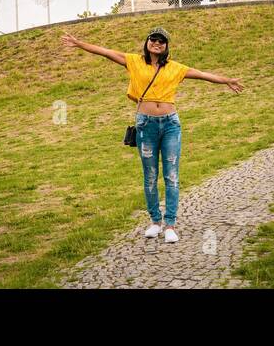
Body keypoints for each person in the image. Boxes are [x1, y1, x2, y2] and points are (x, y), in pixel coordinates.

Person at [62, 25, 243, 243]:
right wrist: (80, 44)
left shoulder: (176, 68)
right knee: (150, 175)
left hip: (170, 125)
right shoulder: (133, 61)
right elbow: (105, 51)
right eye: (153, 39)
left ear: (166, 46)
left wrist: (227, 81)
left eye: (161, 41)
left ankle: (170, 224)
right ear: (147, 43)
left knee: (171, 175)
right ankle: (155, 222)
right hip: (145, 125)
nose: (157, 43)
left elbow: (203, 75)